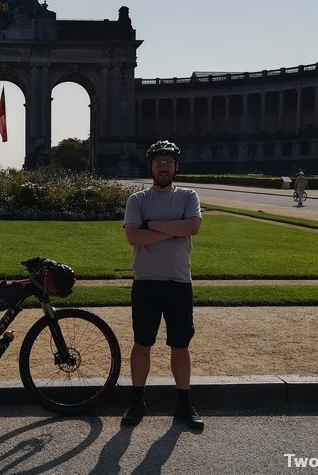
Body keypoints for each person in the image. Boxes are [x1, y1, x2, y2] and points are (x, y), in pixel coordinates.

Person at [121, 140, 204, 431]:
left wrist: (151, 225)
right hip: (146, 283)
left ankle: (183, 401)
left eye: (168, 161)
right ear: (151, 167)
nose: (163, 166)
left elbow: (192, 227)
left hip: (179, 282)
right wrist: (172, 230)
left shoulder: (187, 195)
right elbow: (133, 237)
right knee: (142, 342)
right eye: (158, 162)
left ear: (176, 166)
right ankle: (137, 400)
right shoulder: (138, 200)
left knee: (180, 345)